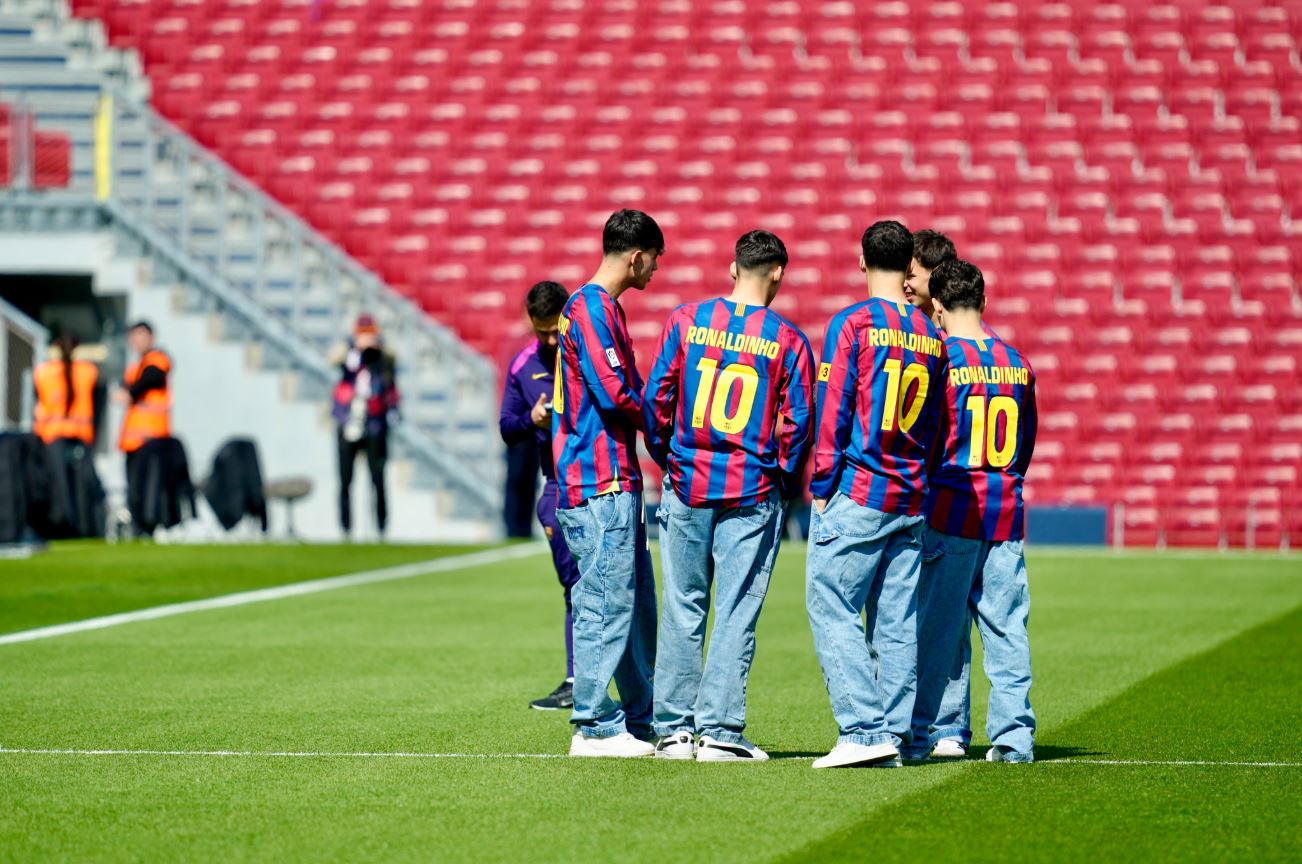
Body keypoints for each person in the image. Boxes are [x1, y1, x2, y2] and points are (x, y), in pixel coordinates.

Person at [642, 230, 815, 762]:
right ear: (778, 273)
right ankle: (719, 731)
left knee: (682, 605)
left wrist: (670, 458)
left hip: (688, 481)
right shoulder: (788, 340)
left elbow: (655, 398)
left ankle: (673, 731)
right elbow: (800, 423)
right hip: (750, 487)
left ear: (733, 268)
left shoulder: (687, 320)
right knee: (736, 610)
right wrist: (781, 477)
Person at [805, 221, 949, 769]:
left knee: (830, 601)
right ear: (910, 266)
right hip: (911, 493)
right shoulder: (931, 334)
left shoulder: (854, 323)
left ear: (862, 261)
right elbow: (938, 423)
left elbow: (834, 406)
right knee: (896, 621)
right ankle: (898, 735)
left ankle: (863, 731)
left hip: (861, 488)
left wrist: (822, 484)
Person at [906, 259, 1038, 763]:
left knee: (936, 632)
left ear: (937, 305)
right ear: (983, 301)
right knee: (1007, 630)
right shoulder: (1017, 362)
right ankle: (1014, 739)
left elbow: (928, 438)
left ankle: (923, 733)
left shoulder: (942, 359)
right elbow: (1025, 443)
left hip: (952, 510)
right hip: (1004, 511)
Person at [552, 209, 663, 758]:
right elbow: (616, 392)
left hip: (613, 477)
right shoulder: (592, 308)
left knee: (633, 604)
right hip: (598, 480)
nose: (655, 272)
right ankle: (594, 724)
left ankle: (640, 719)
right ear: (636, 257)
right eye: (654, 261)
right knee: (604, 601)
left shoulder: (599, 307)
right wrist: (667, 423)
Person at [499, 280, 582, 711]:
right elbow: (507, 428)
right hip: (556, 485)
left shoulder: (586, 352)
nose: (551, 340)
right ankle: (576, 679)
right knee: (574, 586)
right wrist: (532, 419)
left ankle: (636, 680)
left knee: (619, 587)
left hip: (600, 480)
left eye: (556, 330)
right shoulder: (522, 366)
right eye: (542, 332)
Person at [332, 313, 399, 539]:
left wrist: (377, 347)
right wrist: (353, 348)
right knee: (345, 479)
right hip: (349, 421)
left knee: (377, 478)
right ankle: (345, 528)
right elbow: (332, 359)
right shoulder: (348, 355)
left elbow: (392, 371)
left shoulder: (384, 358)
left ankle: (381, 527)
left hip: (374, 423)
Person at [114, 320, 171, 459]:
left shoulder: (157, 359)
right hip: (134, 441)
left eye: (141, 335)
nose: (137, 340)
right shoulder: (136, 366)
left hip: (152, 438)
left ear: (151, 337)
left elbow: (152, 376)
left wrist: (131, 393)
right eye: (134, 336)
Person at [33, 331, 99, 446]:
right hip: (81, 433)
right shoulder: (88, 371)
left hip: (51, 433)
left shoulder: (43, 371)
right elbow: (96, 402)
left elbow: (38, 398)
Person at [902, 229, 957, 318]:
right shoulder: (900, 322)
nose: (903, 284)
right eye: (902, 276)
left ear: (938, 275)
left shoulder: (964, 326)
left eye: (910, 276)